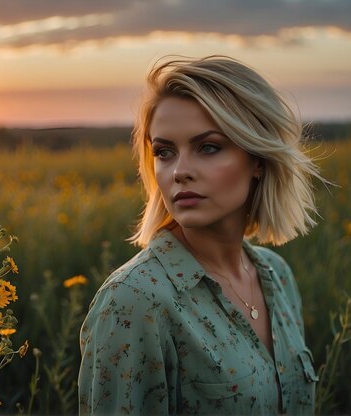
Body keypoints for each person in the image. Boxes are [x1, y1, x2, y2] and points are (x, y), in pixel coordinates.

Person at [78, 55, 322, 415]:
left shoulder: (277, 276)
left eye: (208, 147)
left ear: (258, 158)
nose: (179, 172)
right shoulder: (135, 301)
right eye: (165, 152)